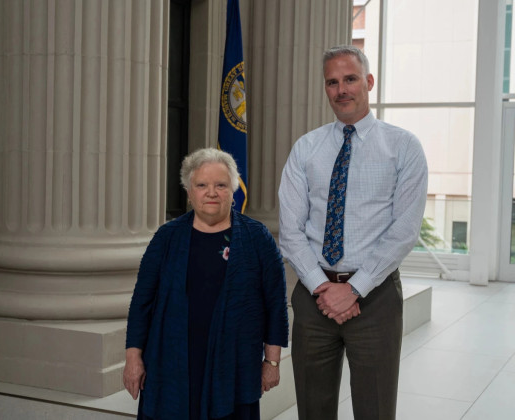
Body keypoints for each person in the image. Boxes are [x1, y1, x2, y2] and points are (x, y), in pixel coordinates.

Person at [278, 45, 428, 419]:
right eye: (332, 82)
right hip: (314, 298)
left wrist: (355, 288)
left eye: (350, 79)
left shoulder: (403, 147)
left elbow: (404, 230)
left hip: (375, 299)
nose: (341, 89)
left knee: (374, 409)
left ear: (369, 82)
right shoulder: (306, 148)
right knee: (313, 408)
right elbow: (290, 230)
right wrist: (322, 287)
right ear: (325, 88)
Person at [124, 148, 289, 420]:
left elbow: (275, 305)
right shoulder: (167, 237)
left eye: (220, 185)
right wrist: (133, 358)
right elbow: (142, 302)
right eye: (202, 185)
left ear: (233, 190)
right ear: (189, 192)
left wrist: (271, 362)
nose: (211, 192)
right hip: (171, 360)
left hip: (234, 361)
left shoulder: (258, 238)